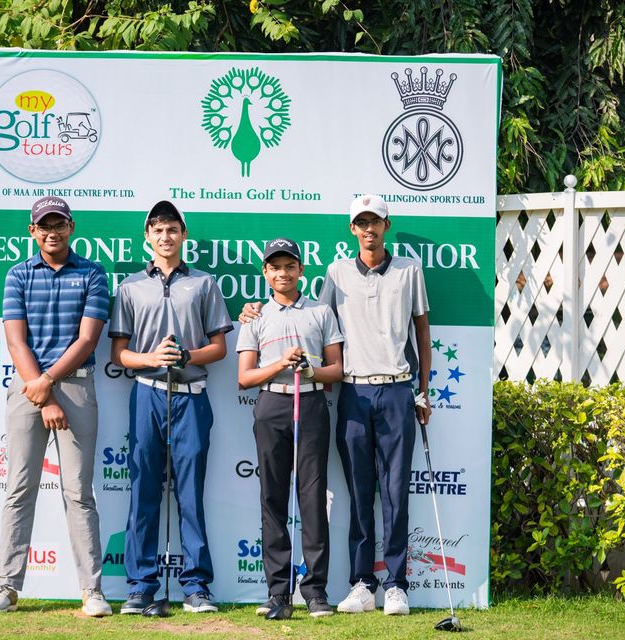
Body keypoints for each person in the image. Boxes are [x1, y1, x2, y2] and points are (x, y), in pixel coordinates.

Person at [241, 194, 432, 616]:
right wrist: (254, 309)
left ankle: (396, 585)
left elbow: (422, 330)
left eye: (375, 221)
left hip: (397, 388)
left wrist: (423, 388)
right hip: (353, 391)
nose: (368, 228)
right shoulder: (337, 273)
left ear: (386, 225)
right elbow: (310, 318)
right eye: (361, 222)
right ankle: (362, 582)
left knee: (396, 491)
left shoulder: (409, 270)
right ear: (352, 229)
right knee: (360, 493)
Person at [0, 196, 111, 616]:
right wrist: (43, 393)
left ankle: (92, 591)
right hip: (28, 388)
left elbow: (87, 340)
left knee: (79, 492)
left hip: (73, 386)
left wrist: (48, 384)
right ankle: (7, 587)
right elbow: (16, 341)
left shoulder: (92, 273)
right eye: (44, 225)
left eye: (59, 224)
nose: (52, 232)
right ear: (32, 231)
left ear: (71, 227)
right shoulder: (18, 274)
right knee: (19, 488)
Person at [109, 200, 233, 614]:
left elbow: (219, 348)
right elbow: (119, 353)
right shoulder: (130, 287)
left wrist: (185, 356)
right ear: (147, 236)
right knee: (143, 490)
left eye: (172, 229)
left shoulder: (203, 283)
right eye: (158, 230)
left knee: (190, 494)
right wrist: (151, 358)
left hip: (191, 396)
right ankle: (141, 586)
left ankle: (196, 586)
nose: (165, 236)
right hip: (147, 393)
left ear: (183, 235)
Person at [236, 238, 345, 619]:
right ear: (265, 273)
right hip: (271, 405)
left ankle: (315, 591)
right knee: (273, 498)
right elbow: (244, 377)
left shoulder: (320, 311)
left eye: (289, 266)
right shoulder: (254, 316)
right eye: (275, 267)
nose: (282, 273)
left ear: (301, 270)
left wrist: (310, 371)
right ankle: (278, 592)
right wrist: (281, 364)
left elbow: (337, 369)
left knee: (312, 498)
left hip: (311, 403)